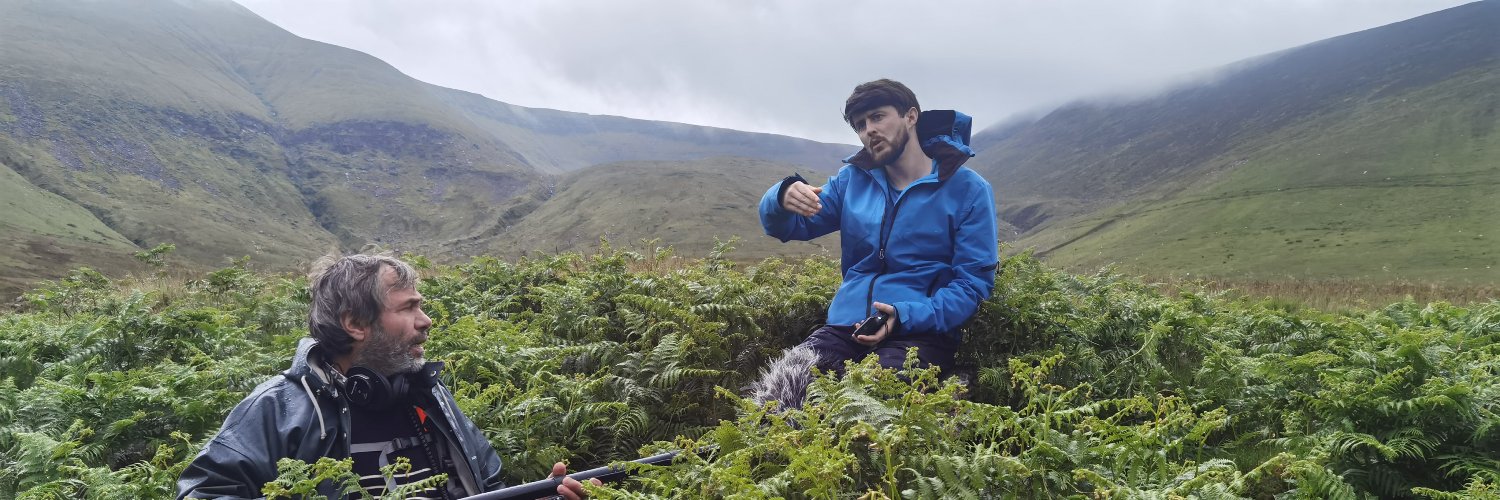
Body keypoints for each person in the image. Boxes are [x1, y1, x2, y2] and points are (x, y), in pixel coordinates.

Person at [177, 254, 598, 499]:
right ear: (355, 323)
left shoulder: (430, 396)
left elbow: (489, 486)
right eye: (408, 308)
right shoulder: (278, 408)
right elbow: (205, 492)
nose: (426, 320)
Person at [758, 79, 998, 380]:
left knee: (874, 401)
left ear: (911, 117)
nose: (868, 130)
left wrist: (903, 316)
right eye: (860, 124)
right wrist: (780, 197)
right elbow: (789, 226)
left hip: (920, 332)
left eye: (878, 117)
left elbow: (972, 285)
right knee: (782, 393)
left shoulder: (968, 190)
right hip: (845, 327)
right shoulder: (852, 181)